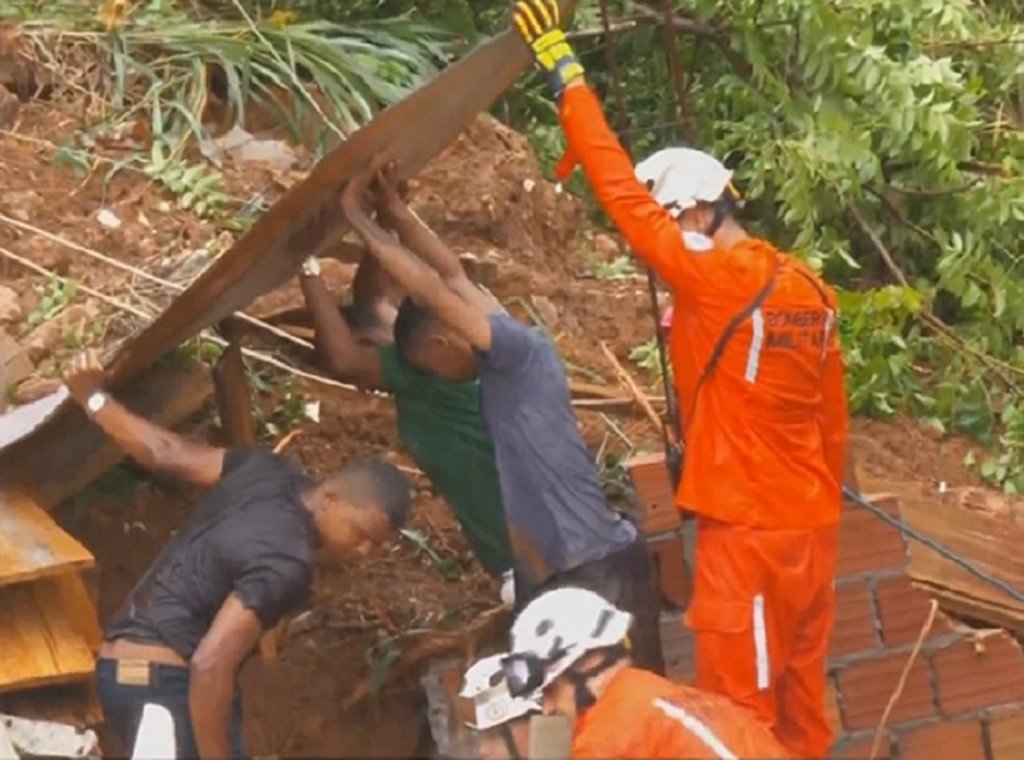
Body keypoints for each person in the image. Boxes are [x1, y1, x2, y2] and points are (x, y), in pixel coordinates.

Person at [510, 2, 855, 754]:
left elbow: (619, 193)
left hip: (749, 534)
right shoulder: (810, 292)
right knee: (801, 716)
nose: (661, 269)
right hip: (810, 529)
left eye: (669, 238)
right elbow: (832, 423)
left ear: (695, 215)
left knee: (736, 718)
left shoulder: (717, 278)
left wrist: (566, 73)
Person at [338, 163, 665, 674]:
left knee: (628, 721)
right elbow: (451, 274)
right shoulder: (510, 349)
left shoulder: (514, 358)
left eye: (432, 368)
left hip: (595, 569)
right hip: (567, 570)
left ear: (444, 343)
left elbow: (432, 291)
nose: (444, 380)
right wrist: (398, 212)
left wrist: (358, 220)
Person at [62, 349, 412, 759]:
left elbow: (166, 452)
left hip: (120, 675)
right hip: (165, 684)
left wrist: (94, 399)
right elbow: (210, 663)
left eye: (376, 546)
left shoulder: (263, 470)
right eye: (361, 533)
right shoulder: (288, 562)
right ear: (330, 497)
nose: (364, 551)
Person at [296, 215, 516, 599]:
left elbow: (342, 360)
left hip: (526, 560)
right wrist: (383, 218)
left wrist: (306, 265)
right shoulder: (466, 347)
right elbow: (374, 301)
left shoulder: (432, 374)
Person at [462, 587, 789, 759]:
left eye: (550, 691)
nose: (547, 708)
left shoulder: (610, 737)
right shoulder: (644, 696)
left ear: (587, 665)